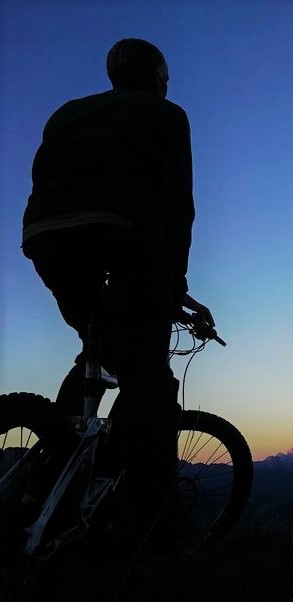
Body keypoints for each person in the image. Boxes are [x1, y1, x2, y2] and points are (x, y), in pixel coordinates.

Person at [21, 38, 212, 551]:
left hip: (47, 235)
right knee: (148, 376)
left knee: (100, 344)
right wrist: (176, 284)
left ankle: (52, 466)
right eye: (165, 80)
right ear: (156, 77)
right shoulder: (167, 117)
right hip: (126, 231)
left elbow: (44, 175)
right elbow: (179, 208)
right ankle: (156, 525)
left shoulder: (66, 114)